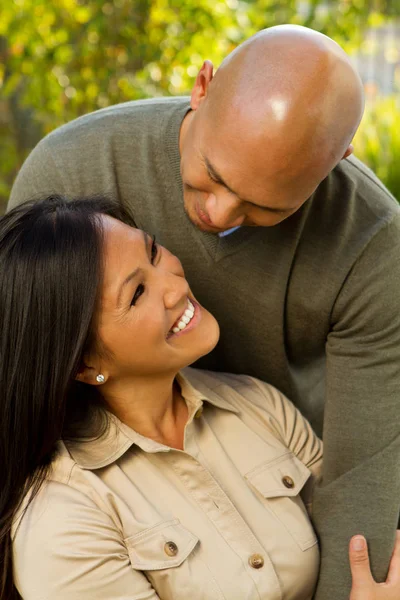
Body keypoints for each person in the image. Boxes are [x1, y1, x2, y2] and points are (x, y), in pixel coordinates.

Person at [8, 25, 400, 600]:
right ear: (203, 85)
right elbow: (30, 351)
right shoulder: (73, 171)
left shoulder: (370, 250)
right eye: (212, 176)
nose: (220, 213)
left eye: (267, 207)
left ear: (335, 162)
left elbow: (364, 471)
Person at [1, 196, 399, 600]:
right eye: (137, 293)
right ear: (84, 365)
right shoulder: (62, 521)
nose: (175, 285)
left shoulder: (258, 406)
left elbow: (358, 539)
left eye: (154, 252)